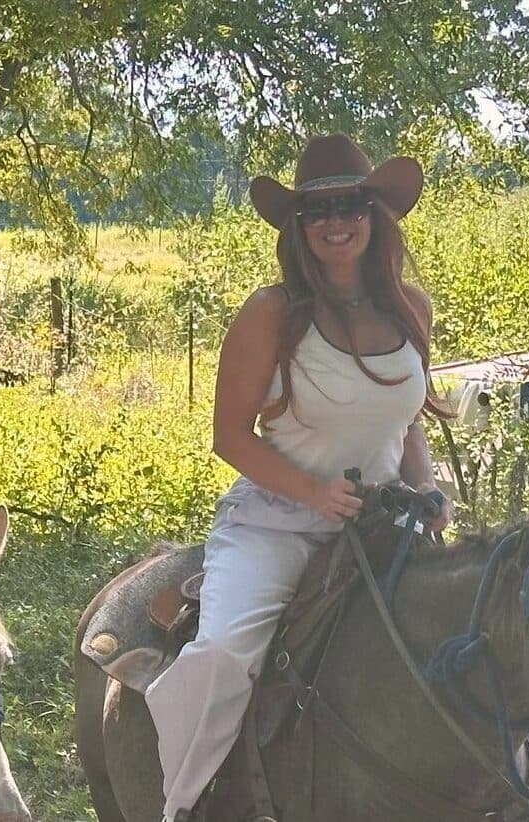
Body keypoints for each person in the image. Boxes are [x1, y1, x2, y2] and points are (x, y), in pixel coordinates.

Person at [144, 133, 454, 822]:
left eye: (350, 205)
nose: (335, 221)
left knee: (468, 644)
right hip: (277, 521)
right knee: (224, 655)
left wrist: (426, 487)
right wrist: (312, 492)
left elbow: (403, 421)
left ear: (375, 215)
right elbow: (228, 436)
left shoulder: (410, 307)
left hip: (383, 525)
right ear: (297, 225)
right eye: (317, 210)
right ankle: (187, 803)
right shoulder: (271, 312)